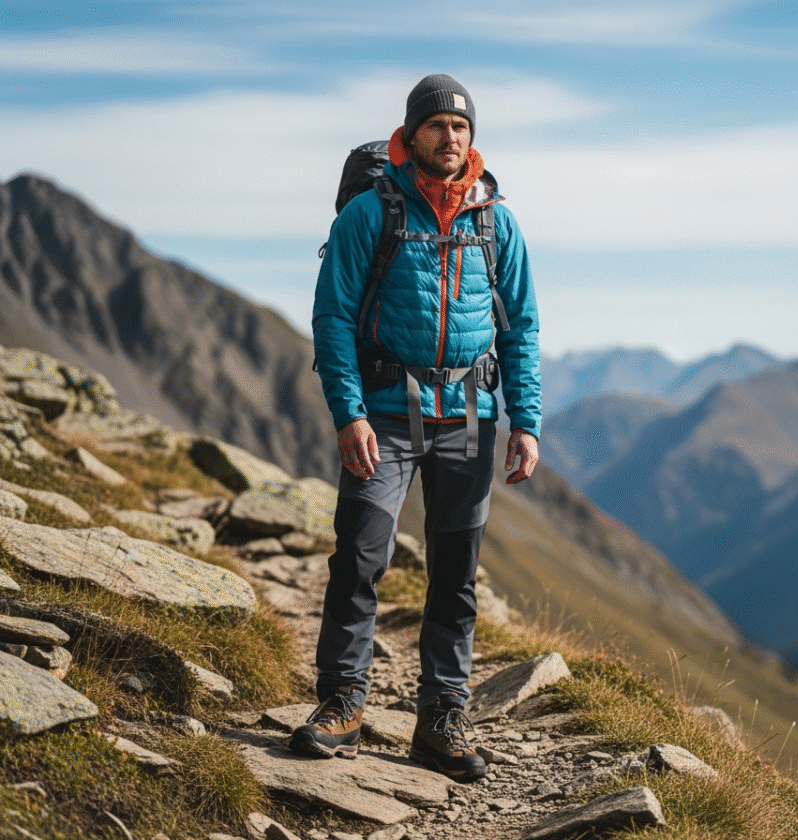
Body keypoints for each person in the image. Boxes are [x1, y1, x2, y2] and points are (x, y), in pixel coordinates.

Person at [291, 74, 541, 782]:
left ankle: (441, 717)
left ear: (472, 139)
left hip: (469, 417)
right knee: (362, 557)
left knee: (456, 573)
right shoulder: (370, 215)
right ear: (411, 134)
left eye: (460, 128)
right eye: (436, 126)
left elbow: (521, 326)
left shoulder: (497, 221)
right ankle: (342, 703)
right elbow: (333, 317)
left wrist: (527, 423)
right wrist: (349, 413)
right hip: (385, 415)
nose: (449, 138)